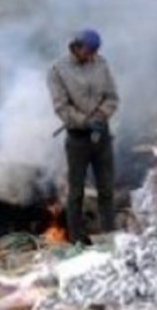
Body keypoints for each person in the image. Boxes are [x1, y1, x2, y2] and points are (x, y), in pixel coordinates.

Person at [47, 28, 119, 245]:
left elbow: (112, 97)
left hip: (101, 135)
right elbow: (61, 107)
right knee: (76, 192)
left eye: (96, 51)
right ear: (76, 47)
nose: (92, 56)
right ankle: (75, 239)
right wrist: (84, 121)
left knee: (106, 189)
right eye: (89, 51)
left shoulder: (101, 64)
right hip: (78, 138)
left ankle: (109, 237)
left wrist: (101, 115)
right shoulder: (58, 70)